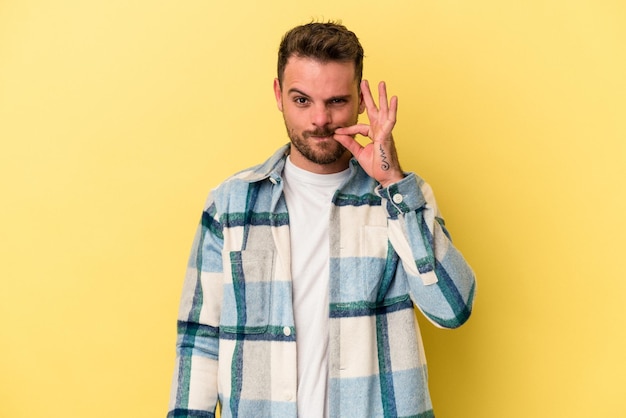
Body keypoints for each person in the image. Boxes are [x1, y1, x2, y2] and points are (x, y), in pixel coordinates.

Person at [168, 21, 476, 418]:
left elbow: (452, 309)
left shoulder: (401, 200)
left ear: (360, 101)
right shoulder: (229, 205)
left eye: (336, 101)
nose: (319, 119)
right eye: (302, 100)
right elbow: (200, 340)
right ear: (279, 95)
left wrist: (391, 182)